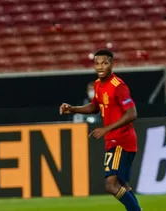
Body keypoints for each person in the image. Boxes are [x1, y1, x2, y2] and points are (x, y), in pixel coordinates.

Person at [59, 49, 141, 211]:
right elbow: (95, 107)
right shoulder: (97, 84)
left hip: (121, 140)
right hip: (113, 139)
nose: (100, 67)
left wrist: (106, 129)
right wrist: (73, 109)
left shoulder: (118, 86)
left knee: (111, 185)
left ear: (112, 64)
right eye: (97, 63)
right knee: (122, 183)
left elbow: (132, 113)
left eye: (105, 63)